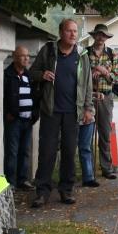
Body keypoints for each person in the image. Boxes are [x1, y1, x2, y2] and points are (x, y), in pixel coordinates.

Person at [30, 19, 94, 207]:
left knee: (68, 153)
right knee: (47, 152)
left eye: (75, 31)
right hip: (50, 110)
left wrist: (88, 109)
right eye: (69, 31)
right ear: (61, 32)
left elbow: (87, 85)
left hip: (72, 112)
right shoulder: (49, 51)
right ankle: (42, 192)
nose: (73, 34)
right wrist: (42, 75)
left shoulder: (82, 55)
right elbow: (32, 72)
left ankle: (66, 190)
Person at [86, 24, 118, 180]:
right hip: (88, 96)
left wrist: (103, 70)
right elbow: (80, 76)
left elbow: (117, 79)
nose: (101, 37)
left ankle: (106, 167)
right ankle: (88, 171)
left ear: (107, 37)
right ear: (94, 36)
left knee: (105, 133)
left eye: (104, 35)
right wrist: (92, 72)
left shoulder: (113, 54)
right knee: (86, 134)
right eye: (98, 34)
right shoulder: (84, 53)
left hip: (106, 97)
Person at [3, 46, 38, 191]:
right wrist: (7, 113)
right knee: (12, 151)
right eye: (23, 56)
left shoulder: (29, 76)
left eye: (28, 56)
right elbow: (2, 96)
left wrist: (34, 115)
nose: (26, 58)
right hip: (14, 120)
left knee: (25, 151)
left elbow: (36, 96)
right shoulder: (7, 75)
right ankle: (11, 182)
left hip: (27, 120)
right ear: (15, 57)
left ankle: (22, 180)